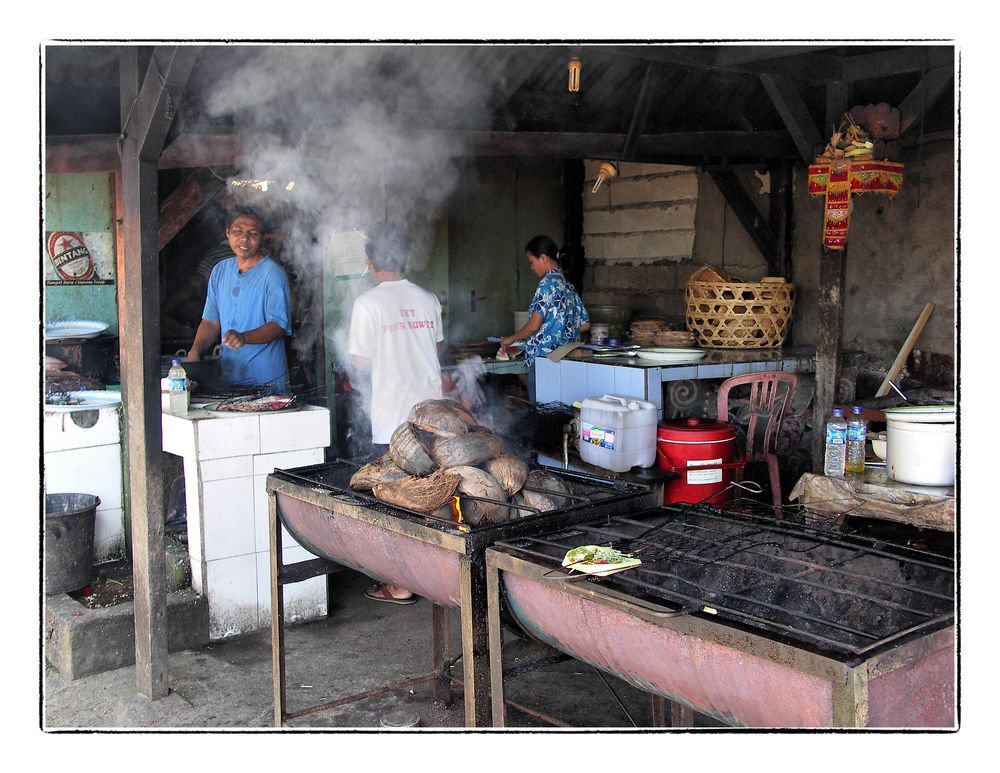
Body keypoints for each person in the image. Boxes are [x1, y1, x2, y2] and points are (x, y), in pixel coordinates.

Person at [347, 221, 444, 605]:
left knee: (394, 501)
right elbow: (435, 354)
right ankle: (435, 577)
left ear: (370, 263)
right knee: (432, 494)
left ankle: (402, 583)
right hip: (433, 418)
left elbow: (361, 363)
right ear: (405, 257)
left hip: (392, 419)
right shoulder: (427, 298)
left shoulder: (367, 304)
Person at [188, 208, 292, 392]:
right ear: (227, 233)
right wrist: (195, 350)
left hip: (267, 379)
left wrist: (244, 337)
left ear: (262, 238)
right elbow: (211, 321)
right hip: (231, 377)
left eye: (253, 233)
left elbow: (278, 325)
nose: (244, 238)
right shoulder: (220, 270)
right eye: (238, 231)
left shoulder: (273, 274)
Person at [500, 234, 590, 366]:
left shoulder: (546, 284)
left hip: (544, 358)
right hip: (566, 356)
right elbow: (585, 325)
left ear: (543, 258)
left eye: (532, 262)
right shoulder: (568, 284)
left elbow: (534, 326)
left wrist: (510, 339)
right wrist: (562, 334)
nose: (531, 267)